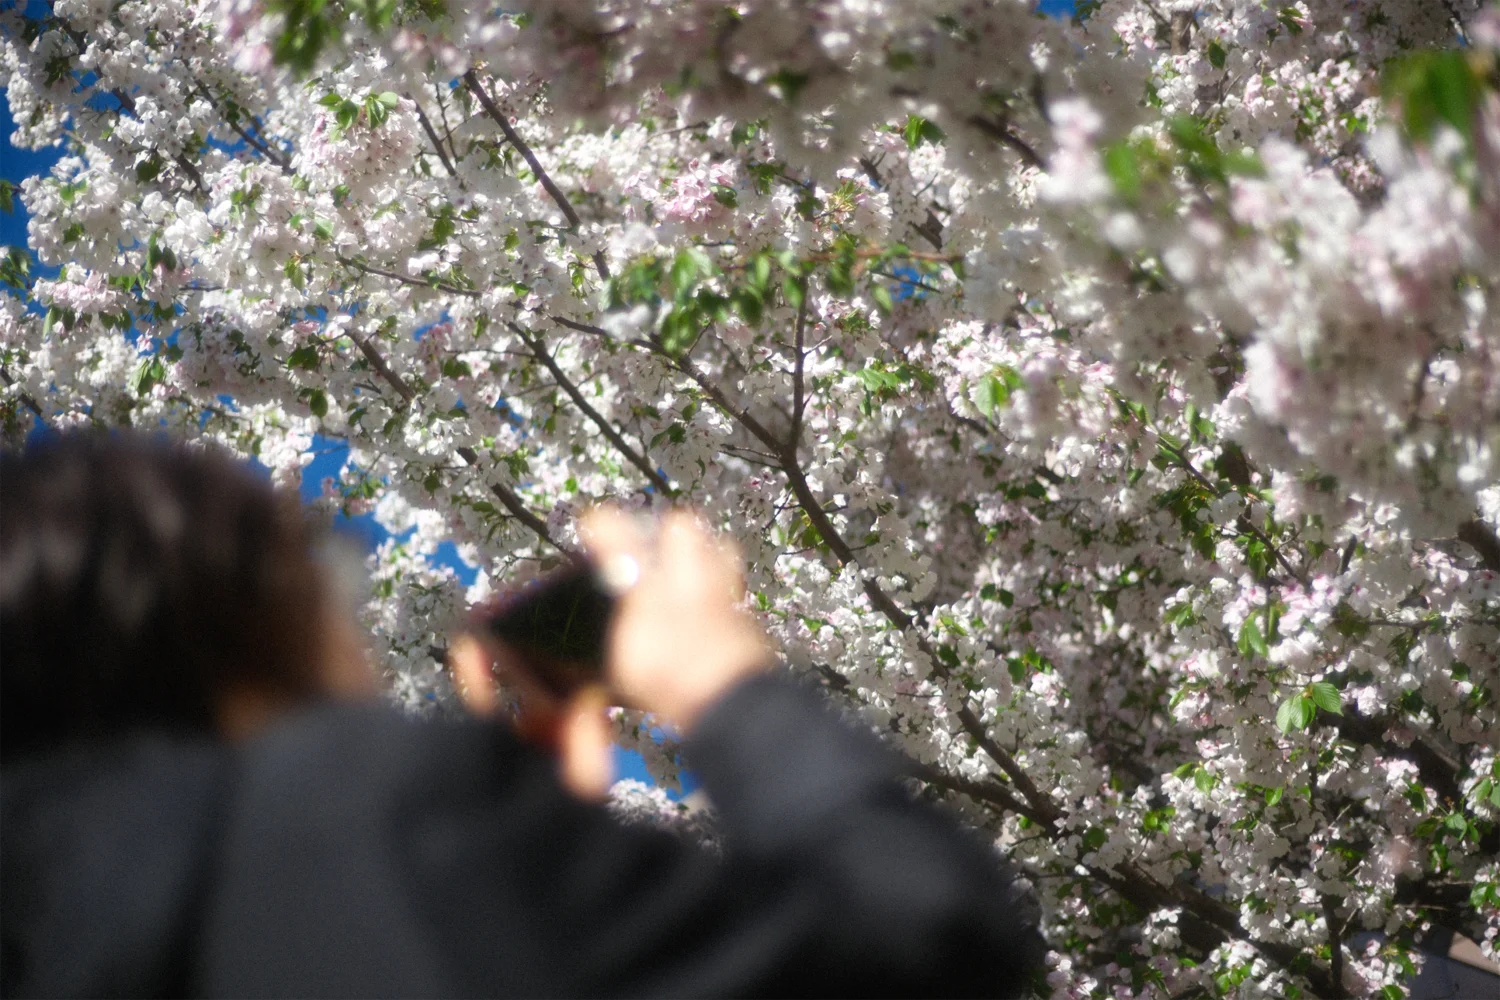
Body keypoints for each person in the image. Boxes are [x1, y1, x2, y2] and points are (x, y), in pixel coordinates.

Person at [0, 431, 1044, 999]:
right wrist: (721, 682)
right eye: (323, 583)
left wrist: (538, 868)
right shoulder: (363, 804)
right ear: (238, 625)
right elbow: (933, 941)